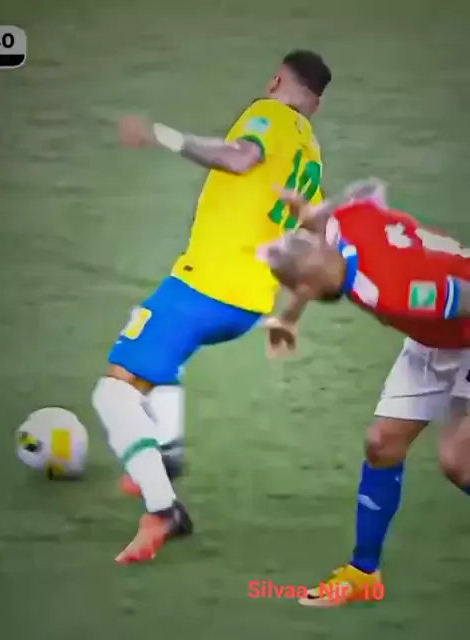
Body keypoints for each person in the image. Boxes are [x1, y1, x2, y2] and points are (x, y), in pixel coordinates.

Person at [92, 50, 332, 564]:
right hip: (248, 304)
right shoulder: (311, 152)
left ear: (277, 79)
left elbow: (240, 157)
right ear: (318, 102)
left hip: (207, 286)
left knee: (114, 391)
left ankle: (163, 511)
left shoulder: (268, 113)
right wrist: (289, 316)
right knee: (160, 354)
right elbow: (316, 237)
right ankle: (167, 451)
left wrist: (162, 135)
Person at [259, 180, 470, 606]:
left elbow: (464, 296)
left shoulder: (388, 286)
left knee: (458, 462)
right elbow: (369, 190)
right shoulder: (346, 233)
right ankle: (363, 574)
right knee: (382, 445)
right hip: (433, 335)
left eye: (292, 239)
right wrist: (289, 318)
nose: (289, 238)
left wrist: (318, 215)